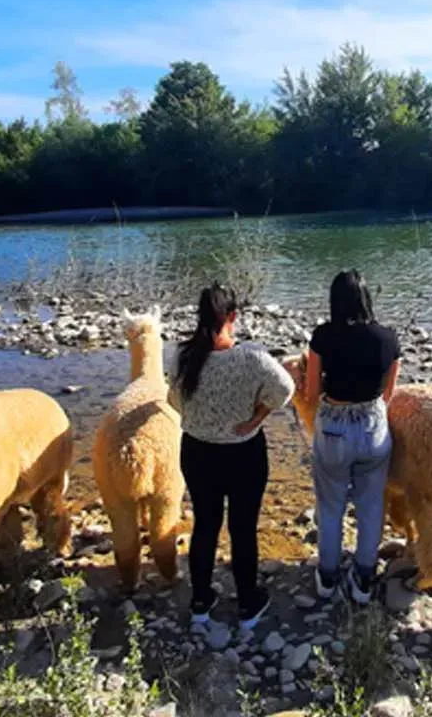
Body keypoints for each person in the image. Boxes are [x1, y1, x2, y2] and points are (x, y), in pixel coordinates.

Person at [168, 283, 295, 631]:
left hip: (196, 451)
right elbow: (285, 389)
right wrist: (256, 418)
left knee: (205, 525)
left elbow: (172, 400)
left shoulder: (182, 356)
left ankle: (200, 602)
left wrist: (197, 420)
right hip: (243, 453)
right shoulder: (252, 358)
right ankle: (248, 603)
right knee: (242, 529)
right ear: (233, 317)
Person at [306, 270, 401, 604]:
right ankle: (363, 578)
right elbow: (388, 393)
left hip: (333, 426)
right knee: (371, 506)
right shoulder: (388, 338)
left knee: (330, 506)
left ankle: (328, 578)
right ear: (367, 299)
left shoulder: (322, 337)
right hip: (373, 425)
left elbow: (312, 390)